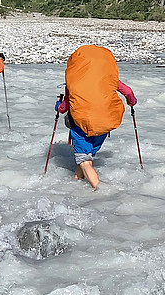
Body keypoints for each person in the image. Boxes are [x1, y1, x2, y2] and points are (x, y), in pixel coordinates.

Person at [54, 45, 136, 190]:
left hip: (81, 124)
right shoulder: (109, 78)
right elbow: (128, 92)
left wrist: (58, 106)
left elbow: (65, 106)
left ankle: (101, 190)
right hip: (104, 124)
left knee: (84, 160)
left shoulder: (74, 81)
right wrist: (132, 102)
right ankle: (75, 183)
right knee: (87, 157)